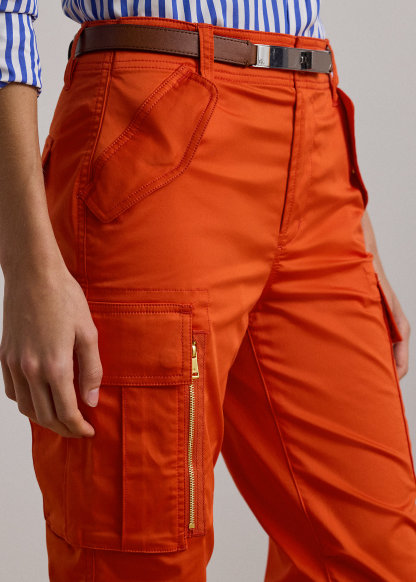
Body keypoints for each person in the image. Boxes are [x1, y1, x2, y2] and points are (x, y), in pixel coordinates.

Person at [1, 2, 415, 581]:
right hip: (154, 131)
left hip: (315, 128)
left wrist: (347, 213)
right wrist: (27, 266)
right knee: (142, 556)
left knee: (379, 557)